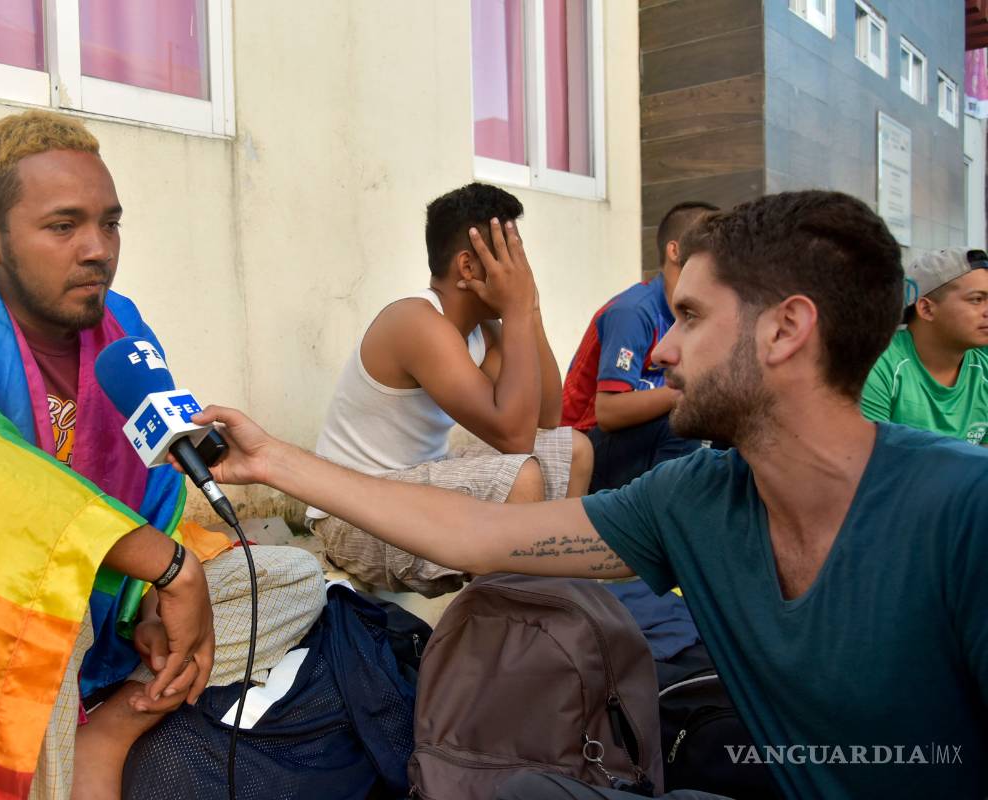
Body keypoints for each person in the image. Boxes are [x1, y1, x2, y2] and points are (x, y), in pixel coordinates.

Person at [183, 193, 988, 799]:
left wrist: (521, 311)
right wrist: (276, 461)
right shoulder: (694, 499)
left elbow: (525, 427)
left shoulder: (963, 512)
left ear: (785, 330)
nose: (660, 350)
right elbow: (474, 534)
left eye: (690, 317)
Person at [0, 111, 324, 800]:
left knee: (291, 577)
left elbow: (153, 485)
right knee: (43, 611)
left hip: (111, 610)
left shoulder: (122, 326)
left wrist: (150, 600)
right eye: (63, 226)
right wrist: (170, 570)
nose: (98, 249)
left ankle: (109, 725)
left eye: (110, 223)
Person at [306, 182, 592, 596]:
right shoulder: (415, 322)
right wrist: (515, 309)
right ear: (468, 267)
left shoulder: (483, 332)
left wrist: (529, 308)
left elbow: (546, 417)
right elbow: (514, 438)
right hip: (352, 515)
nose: (519, 270)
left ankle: (555, 598)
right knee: (520, 478)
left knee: (575, 449)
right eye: (508, 256)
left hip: (410, 487)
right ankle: (517, 618)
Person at [561, 201, 718, 491]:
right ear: (675, 251)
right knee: (680, 423)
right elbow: (608, 413)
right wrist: (688, 391)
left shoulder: (694, 313)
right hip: (584, 448)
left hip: (640, 440)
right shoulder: (633, 312)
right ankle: (665, 513)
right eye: (711, 244)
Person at [862, 247, 988, 445]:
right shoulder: (878, 366)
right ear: (927, 309)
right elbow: (869, 457)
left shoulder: (983, 367)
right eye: (977, 300)